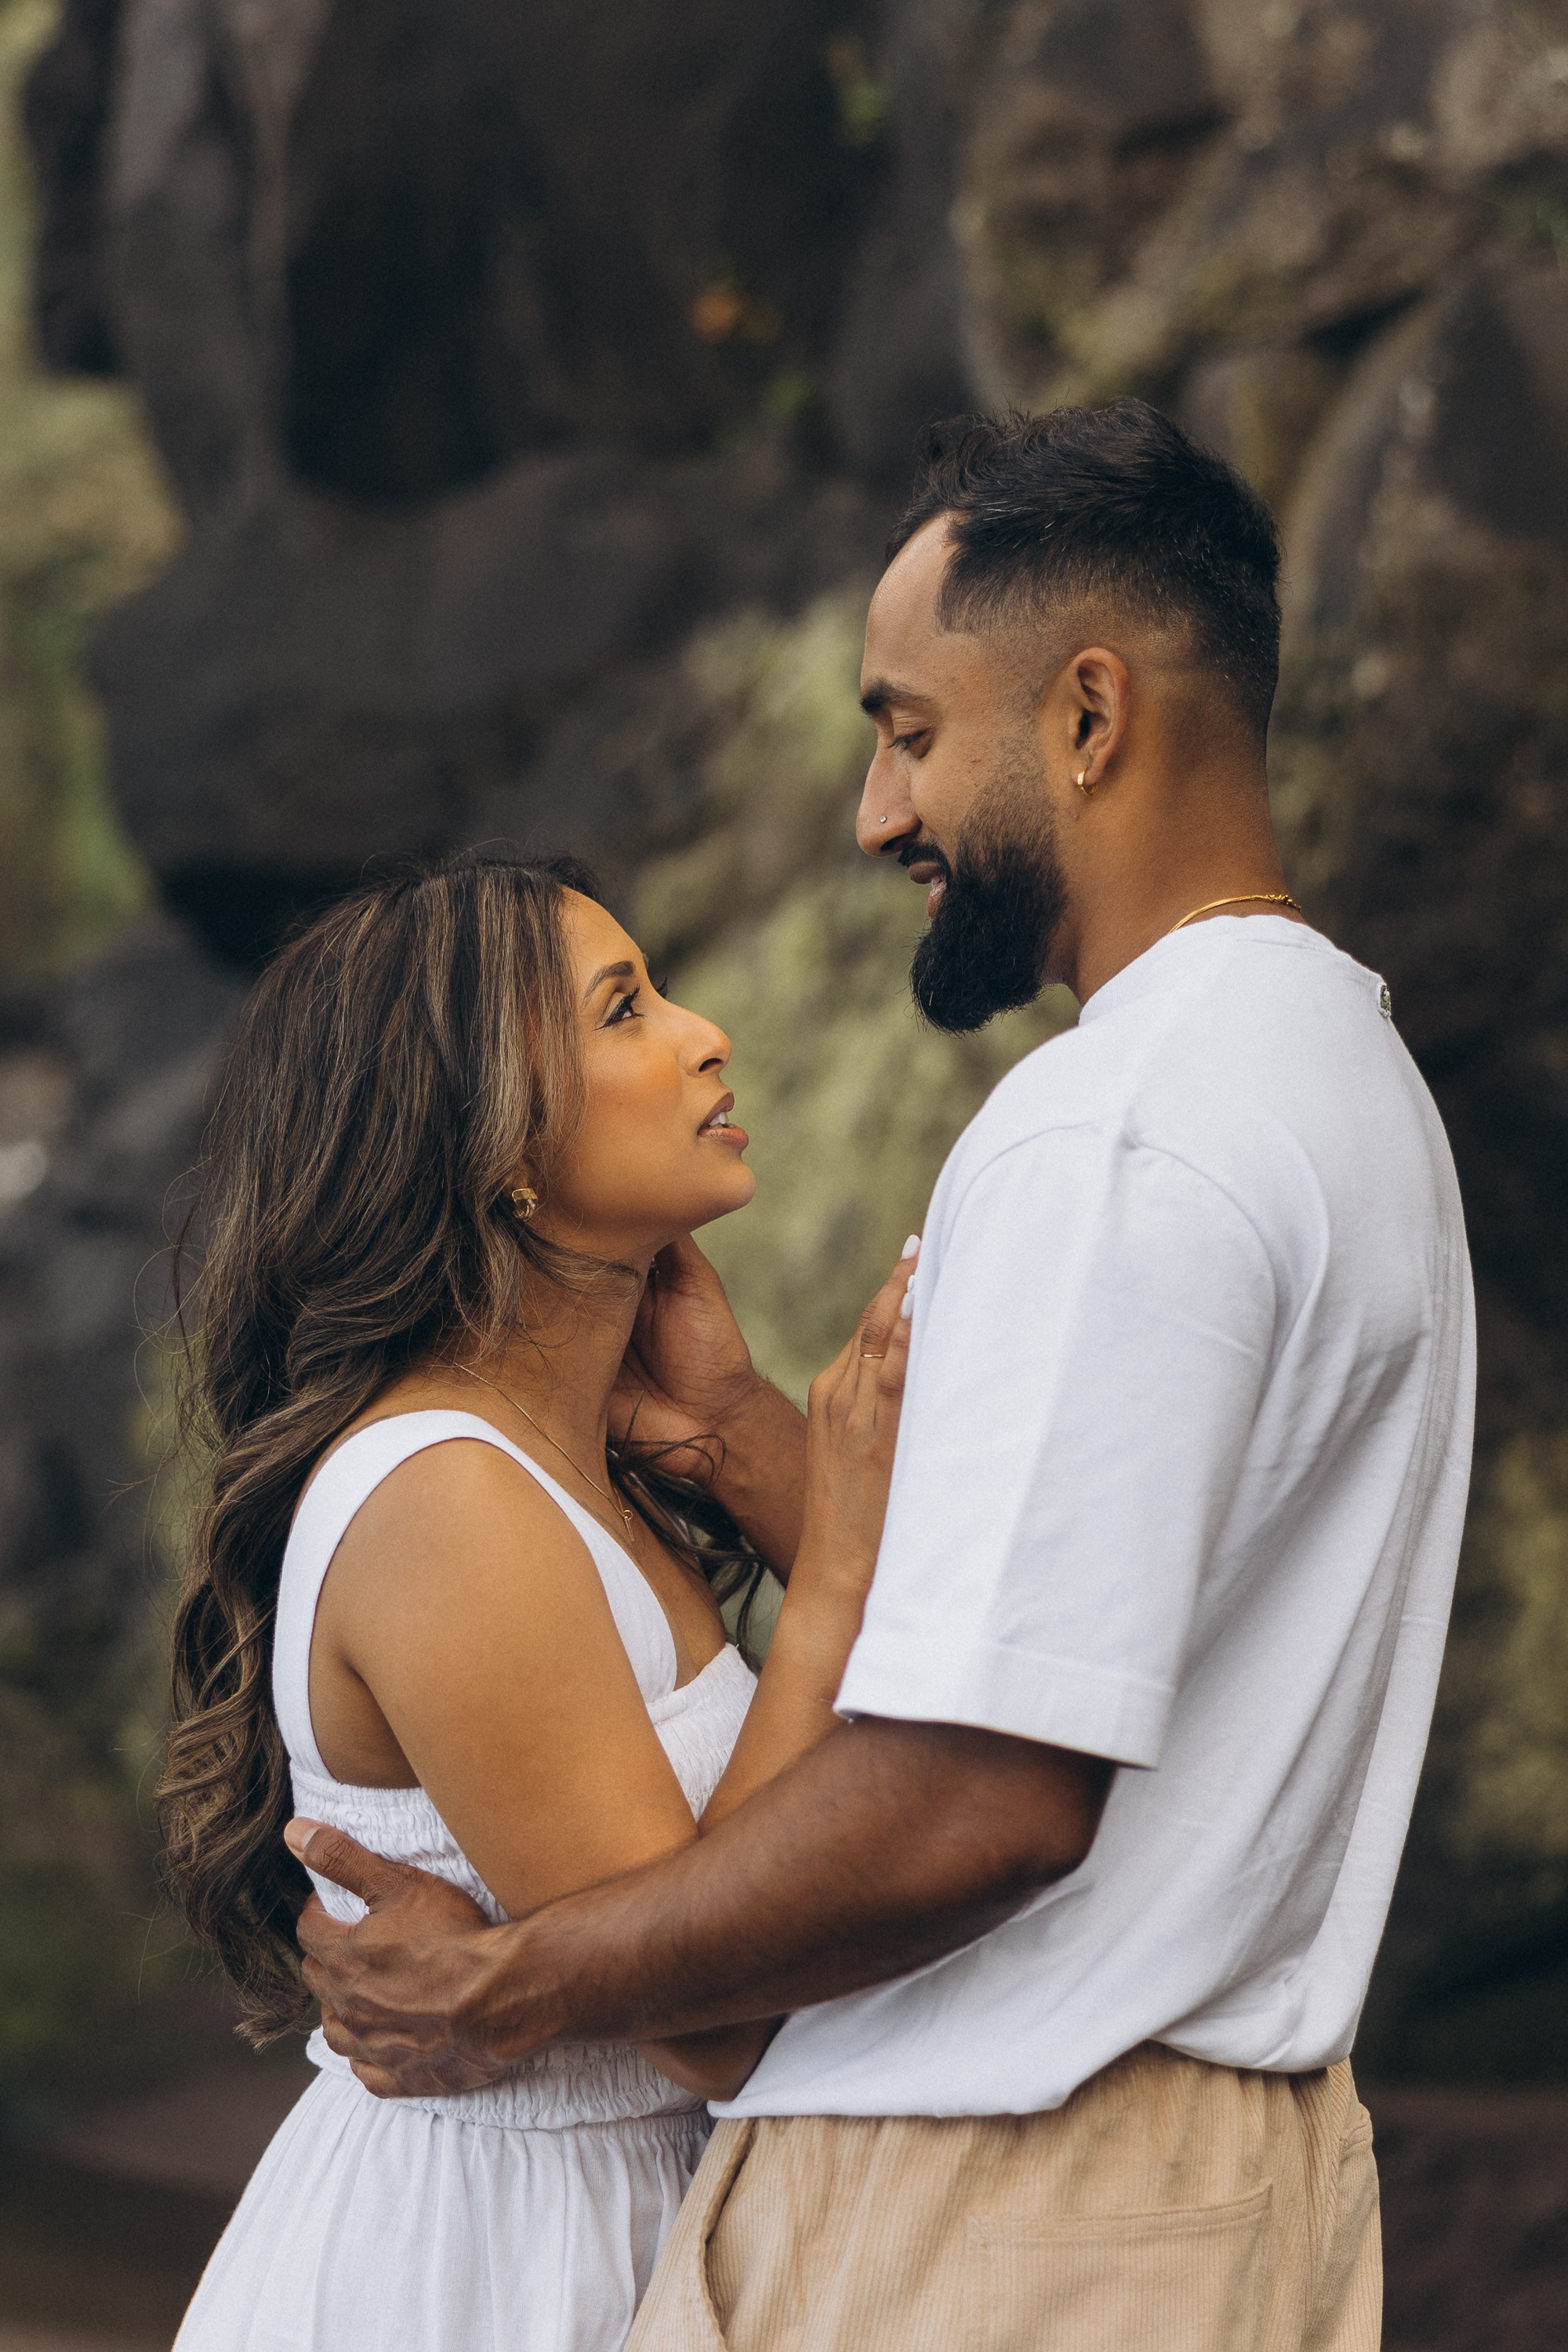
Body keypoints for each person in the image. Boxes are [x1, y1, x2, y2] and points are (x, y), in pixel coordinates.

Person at [292, 401, 1476, 2352]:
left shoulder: (1112, 1134)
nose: (874, 815)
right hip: (1202, 2190)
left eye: (909, 730)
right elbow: (1101, 1623)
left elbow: (983, 1799)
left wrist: (516, 1986)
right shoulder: (1345, 1085)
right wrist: (765, 1454)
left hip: (998, 2207)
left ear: (1086, 717)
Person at [158, 851, 919, 2350]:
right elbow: (712, 2017)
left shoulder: (582, 1471)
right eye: (624, 1009)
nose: (705, 1035)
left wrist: (729, 1434)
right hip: (489, 2273)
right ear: (497, 1145)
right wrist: (829, 1564)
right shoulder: (446, 1503)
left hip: (632, 2226)